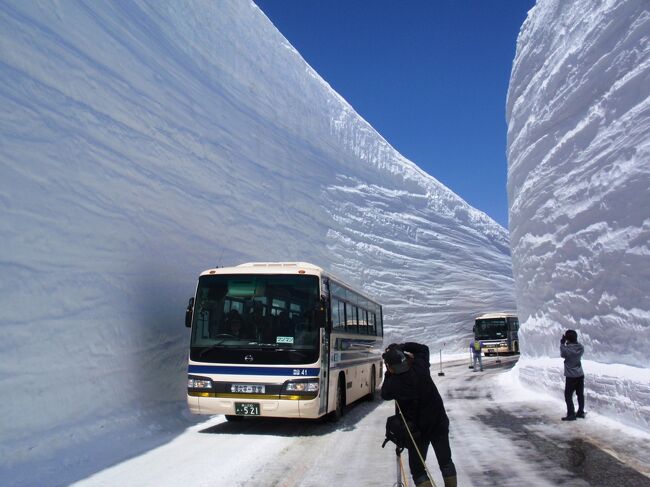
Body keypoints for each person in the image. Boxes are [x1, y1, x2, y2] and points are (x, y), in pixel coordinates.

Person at [381, 342, 457, 487]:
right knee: (446, 462)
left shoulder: (394, 383)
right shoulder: (420, 367)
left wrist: (388, 373)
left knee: (418, 470)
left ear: (391, 368)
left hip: (417, 432)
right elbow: (423, 349)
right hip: (438, 423)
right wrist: (402, 347)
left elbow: (385, 394)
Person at [560, 329, 585, 421]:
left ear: (567, 339)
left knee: (568, 395)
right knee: (580, 394)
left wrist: (562, 343)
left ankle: (571, 414)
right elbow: (576, 347)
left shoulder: (566, 350)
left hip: (571, 376)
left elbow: (562, 354)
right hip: (580, 374)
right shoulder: (581, 348)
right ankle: (580, 412)